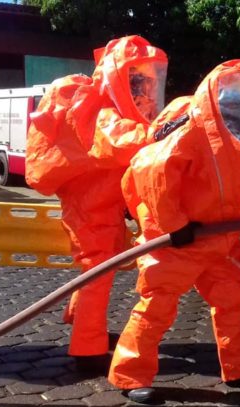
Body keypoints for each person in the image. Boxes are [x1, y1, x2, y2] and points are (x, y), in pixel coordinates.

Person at [108, 59, 240, 403]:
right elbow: (154, 175)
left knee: (232, 301)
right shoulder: (192, 130)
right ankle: (129, 374)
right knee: (158, 304)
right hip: (178, 240)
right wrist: (175, 226)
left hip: (219, 240)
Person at [25, 35, 168, 373]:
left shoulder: (107, 108)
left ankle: (80, 321)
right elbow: (117, 141)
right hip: (89, 209)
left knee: (97, 270)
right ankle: (87, 351)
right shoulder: (95, 110)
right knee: (97, 272)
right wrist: (160, 133)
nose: (145, 90)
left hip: (99, 207)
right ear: (119, 76)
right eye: (137, 80)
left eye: (148, 81)